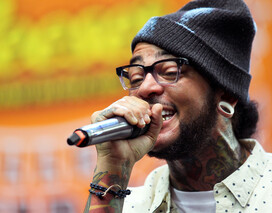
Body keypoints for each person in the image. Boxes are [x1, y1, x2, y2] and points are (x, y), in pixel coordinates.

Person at [83, 0, 272, 212]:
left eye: (170, 72)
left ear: (226, 92)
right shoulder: (128, 206)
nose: (145, 88)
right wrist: (113, 166)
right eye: (136, 77)